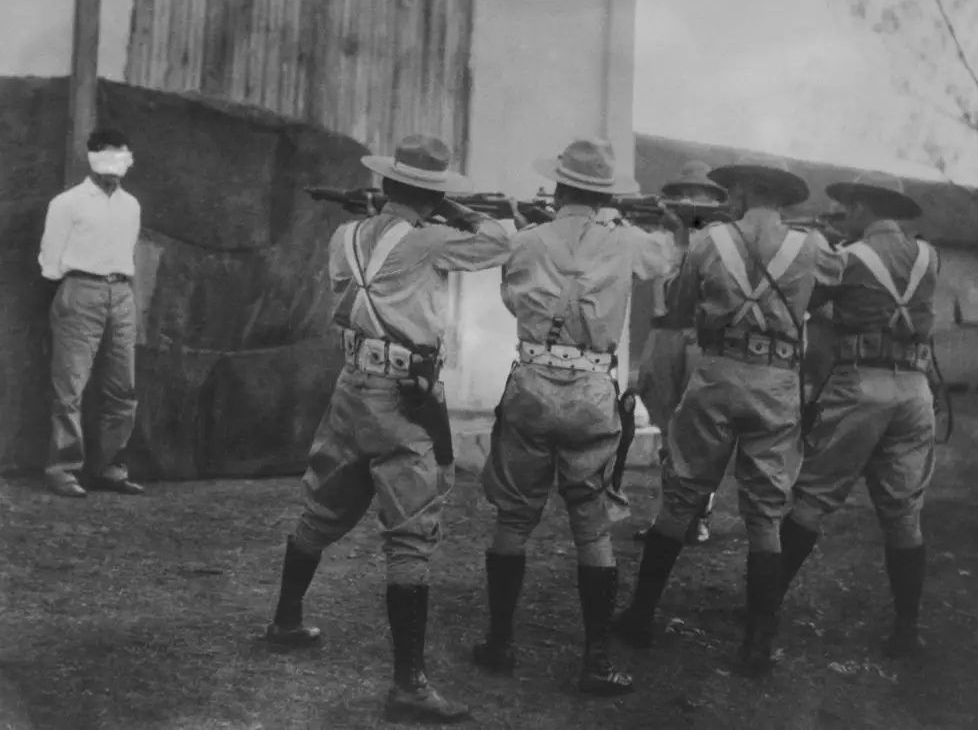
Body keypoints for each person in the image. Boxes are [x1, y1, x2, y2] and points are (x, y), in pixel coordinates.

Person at [261, 135, 511, 725]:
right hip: (407, 398)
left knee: (323, 506)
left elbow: (375, 257)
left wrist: (400, 210)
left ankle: (286, 618)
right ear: (431, 195)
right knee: (410, 533)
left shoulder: (344, 235)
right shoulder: (431, 241)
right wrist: (456, 211)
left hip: (351, 386)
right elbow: (502, 241)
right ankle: (409, 684)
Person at [612, 152, 843, 677]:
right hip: (778, 379)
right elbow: (832, 292)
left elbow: (682, 305)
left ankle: (641, 616)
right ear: (783, 198)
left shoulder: (707, 242)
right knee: (765, 516)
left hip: (717, 372)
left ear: (738, 193)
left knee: (682, 495)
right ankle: (757, 645)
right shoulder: (813, 248)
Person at [472, 138, 685, 696]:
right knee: (591, 525)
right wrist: (646, 218)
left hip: (533, 379)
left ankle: (500, 642)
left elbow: (508, 292)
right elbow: (670, 252)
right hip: (592, 385)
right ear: (602, 195)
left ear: (559, 188)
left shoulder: (526, 239)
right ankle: (594, 662)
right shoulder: (628, 243)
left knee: (514, 517)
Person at [776, 171, 939, 659]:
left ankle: (763, 605)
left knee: (814, 495)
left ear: (864, 209)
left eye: (848, 208)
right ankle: (907, 629)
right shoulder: (930, 255)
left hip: (860, 384)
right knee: (904, 512)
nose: (845, 216)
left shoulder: (847, 258)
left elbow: (806, 303)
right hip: (915, 389)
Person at [38, 128, 145, 498]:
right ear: (93, 157)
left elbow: (129, 253)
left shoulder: (131, 206)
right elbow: (50, 261)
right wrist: (76, 290)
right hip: (80, 290)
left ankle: (109, 467)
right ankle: (64, 468)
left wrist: (121, 293)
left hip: (122, 294)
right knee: (70, 385)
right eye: (107, 155)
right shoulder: (67, 204)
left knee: (122, 388)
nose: (114, 165)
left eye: (122, 156)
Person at [634, 161, 728, 545]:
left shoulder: (721, 238)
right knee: (666, 424)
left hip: (698, 337)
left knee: (700, 429)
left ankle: (698, 514)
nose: (691, 201)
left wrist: (682, 232)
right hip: (664, 334)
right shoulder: (661, 237)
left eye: (700, 195)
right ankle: (671, 514)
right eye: (684, 193)